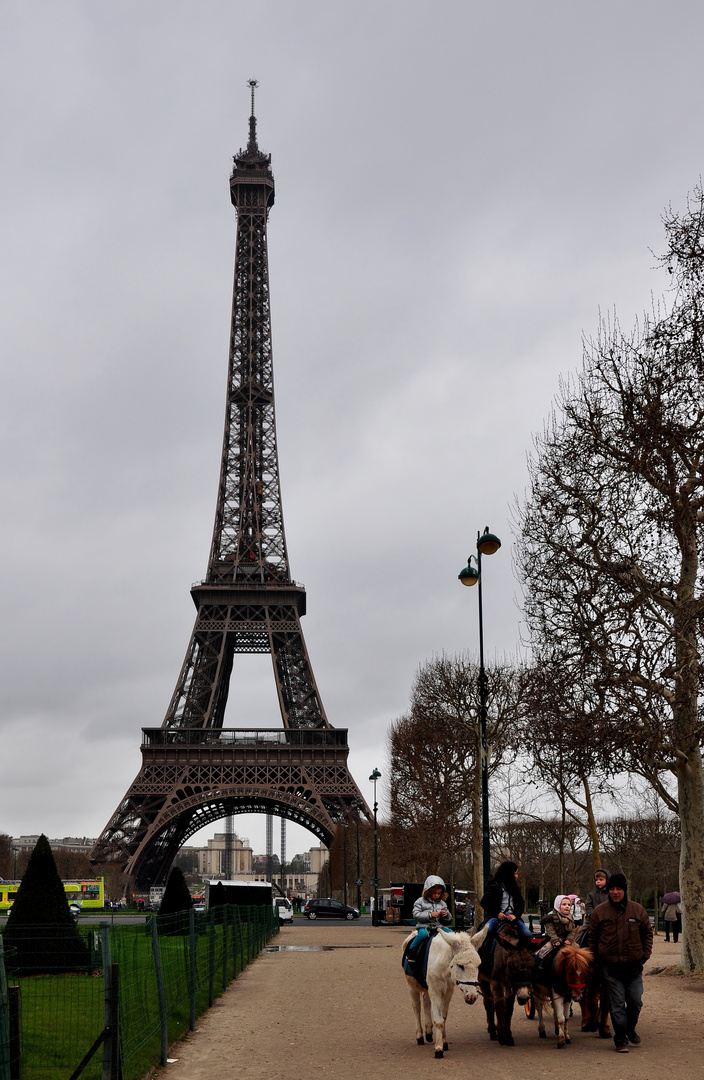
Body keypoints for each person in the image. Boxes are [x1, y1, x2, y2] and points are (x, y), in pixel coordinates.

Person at [588, 872, 653, 1053]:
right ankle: (621, 1039)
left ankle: (630, 1029)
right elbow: (592, 939)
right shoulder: (599, 912)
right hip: (610, 967)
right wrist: (595, 962)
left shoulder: (638, 910)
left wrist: (645, 954)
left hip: (633, 966)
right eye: (612, 889)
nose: (615, 892)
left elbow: (648, 933)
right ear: (608, 890)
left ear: (624, 890)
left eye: (619, 889)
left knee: (635, 1002)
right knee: (616, 1006)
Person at [480, 861, 531, 942]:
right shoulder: (495, 886)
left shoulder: (515, 888)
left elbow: (521, 904)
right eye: (516, 873)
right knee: (485, 933)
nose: (517, 876)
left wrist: (515, 915)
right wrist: (497, 913)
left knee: (527, 934)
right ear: (509, 874)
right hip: (496, 918)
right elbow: (484, 902)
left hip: (513, 919)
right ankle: (482, 953)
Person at [410, 875, 452, 948]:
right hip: (424, 927)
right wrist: (429, 915)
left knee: (451, 934)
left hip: (438, 926)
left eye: (439, 893)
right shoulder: (420, 901)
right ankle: (411, 950)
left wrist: (446, 915)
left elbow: (449, 918)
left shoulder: (443, 903)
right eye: (434, 893)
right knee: (423, 935)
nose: (436, 895)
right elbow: (416, 914)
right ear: (428, 892)